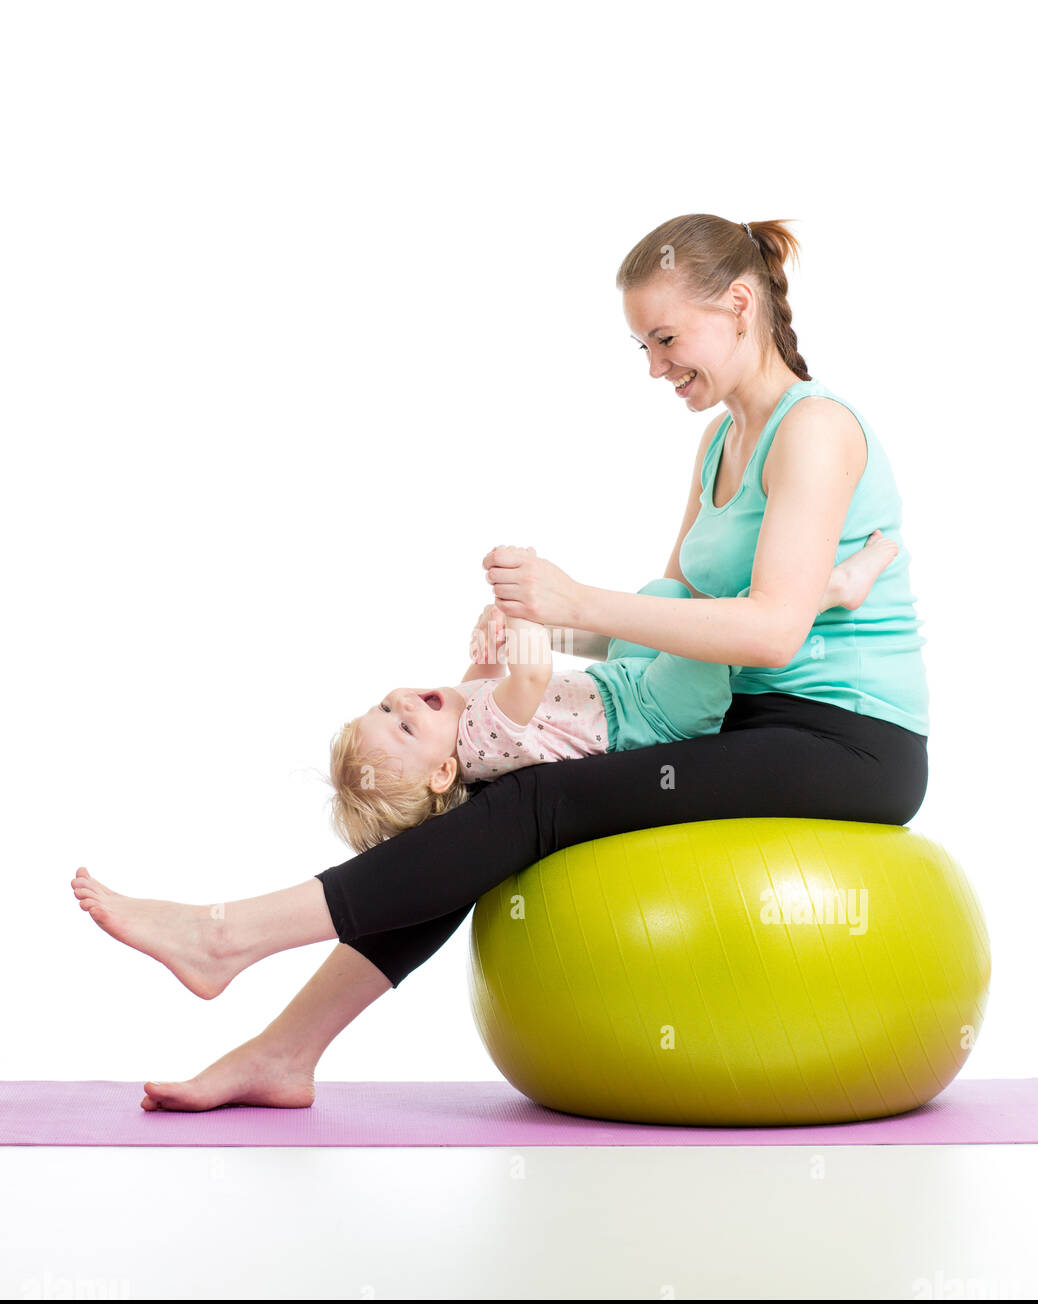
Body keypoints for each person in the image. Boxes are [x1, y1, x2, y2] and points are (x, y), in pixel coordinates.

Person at [69, 213, 929, 1114]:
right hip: (730, 719)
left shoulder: (815, 429)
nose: (654, 367)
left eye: (667, 339)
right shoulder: (720, 443)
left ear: (741, 305)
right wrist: (543, 628)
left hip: (848, 742)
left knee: (533, 802)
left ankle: (226, 936)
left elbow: (770, 634)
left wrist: (574, 602)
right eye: (641, 344)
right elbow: (672, 609)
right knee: (485, 799)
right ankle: (284, 1053)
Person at [330, 531, 899, 852]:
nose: (403, 704)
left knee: (662, 596)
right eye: (404, 726)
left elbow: (487, 667)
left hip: (621, 681)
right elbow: (527, 676)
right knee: (718, 624)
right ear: (442, 776)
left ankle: (727, 644)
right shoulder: (480, 744)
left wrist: (494, 624)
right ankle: (835, 587)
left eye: (384, 706)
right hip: (653, 716)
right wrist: (530, 609)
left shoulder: (459, 714)